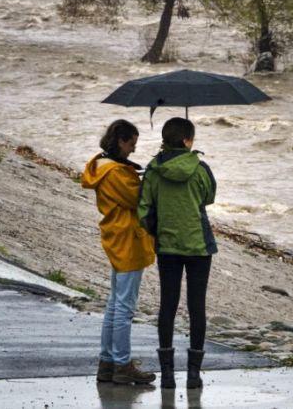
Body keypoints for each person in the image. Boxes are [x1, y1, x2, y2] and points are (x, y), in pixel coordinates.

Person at [138, 117, 217, 389]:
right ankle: (193, 375)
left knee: (167, 306)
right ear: (186, 141)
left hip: (168, 247)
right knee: (197, 307)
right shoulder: (201, 168)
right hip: (198, 246)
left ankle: (168, 374)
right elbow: (209, 197)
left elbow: (144, 209)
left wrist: (158, 232)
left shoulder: (153, 169)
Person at [81, 119, 156, 385]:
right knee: (124, 307)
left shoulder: (102, 166)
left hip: (116, 235)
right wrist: (152, 177)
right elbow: (140, 199)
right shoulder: (116, 173)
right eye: (132, 144)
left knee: (115, 305)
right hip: (129, 239)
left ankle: (108, 362)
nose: (134, 150)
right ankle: (122, 364)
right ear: (120, 141)